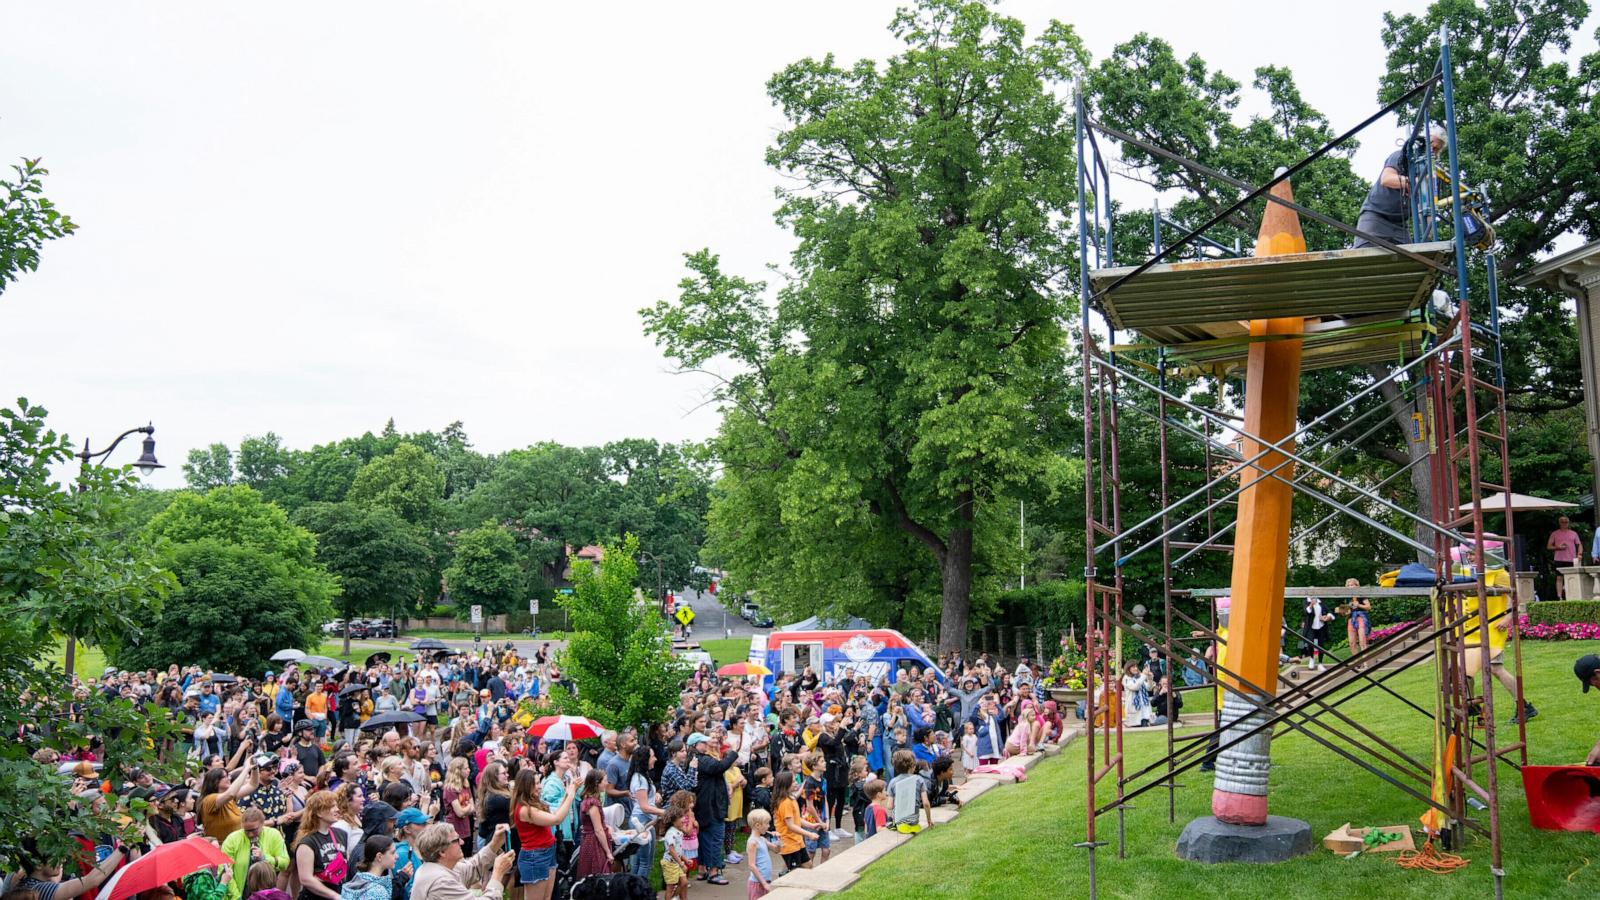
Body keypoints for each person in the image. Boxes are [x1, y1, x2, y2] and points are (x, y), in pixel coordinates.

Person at [1354, 126, 1445, 248]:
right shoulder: (1401, 157)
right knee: (1365, 255)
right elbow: (1386, 179)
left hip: (1400, 225)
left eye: (1436, 149)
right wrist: (1414, 182)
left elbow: (1427, 208)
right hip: (1375, 218)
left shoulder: (1429, 175)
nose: (1432, 151)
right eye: (1430, 146)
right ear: (1421, 143)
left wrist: (1431, 238)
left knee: (1412, 260)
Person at [511, 766, 577, 900]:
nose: (540, 786)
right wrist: (571, 794)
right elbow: (556, 819)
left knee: (547, 897)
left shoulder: (533, 803)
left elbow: (556, 813)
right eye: (536, 783)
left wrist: (567, 793)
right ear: (526, 786)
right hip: (535, 856)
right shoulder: (524, 809)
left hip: (547, 851)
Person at [410, 822, 515, 900]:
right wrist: (497, 874)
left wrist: (495, 843)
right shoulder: (441, 882)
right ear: (442, 851)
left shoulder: (440, 866)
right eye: (456, 840)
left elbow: (472, 868)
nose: (462, 842)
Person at [688, 732, 738, 886]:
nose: (707, 744)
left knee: (704, 838)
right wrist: (734, 752)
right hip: (711, 807)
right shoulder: (701, 760)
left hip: (704, 805)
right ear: (696, 745)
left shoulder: (696, 760)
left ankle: (702, 869)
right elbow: (719, 767)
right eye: (703, 742)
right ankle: (714, 872)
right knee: (716, 838)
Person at [222, 809, 290, 900]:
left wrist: (265, 858)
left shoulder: (274, 835)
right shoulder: (232, 839)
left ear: (262, 823)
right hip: (238, 893)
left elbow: (285, 863)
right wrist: (236, 897)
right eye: (246, 830)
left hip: (266, 895)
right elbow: (224, 871)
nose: (250, 834)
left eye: (254, 830)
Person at [294, 791, 349, 900]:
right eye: (332, 806)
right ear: (319, 812)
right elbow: (305, 879)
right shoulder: (307, 842)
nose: (337, 809)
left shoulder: (341, 834)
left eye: (336, 805)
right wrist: (334, 896)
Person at [201, 760, 260, 842]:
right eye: (225, 776)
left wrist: (255, 767)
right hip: (220, 849)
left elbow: (253, 785)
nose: (229, 778)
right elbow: (231, 793)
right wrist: (246, 768)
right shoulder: (209, 799)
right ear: (215, 781)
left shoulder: (229, 799)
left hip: (236, 846)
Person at [771, 770, 815, 873]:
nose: (796, 783)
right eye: (794, 781)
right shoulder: (785, 802)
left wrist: (811, 825)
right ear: (786, 784)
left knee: (808, 865)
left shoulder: (791, 798)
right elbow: (790, 825)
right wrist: (809, 834)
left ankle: (784, 874)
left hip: (797, 841)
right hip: (789, 843)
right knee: (796, 872)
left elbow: (796, 818)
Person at [573, 769, 613, 878]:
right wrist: (608, 852)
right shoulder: (592, 803)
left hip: (589, 841)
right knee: (597, 874)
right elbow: (598, 830)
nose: (607, 783)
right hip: (594, 844)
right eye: (605, 780)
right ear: (597, 783)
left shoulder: (588, 800)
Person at [886, 750, 931, 834]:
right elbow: (926, 803)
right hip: (914, 822)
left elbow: (889, 806)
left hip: (900, 823)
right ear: (912, 766)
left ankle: (893, 824)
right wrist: (929, 820)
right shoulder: (919, 779)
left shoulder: (893, 782)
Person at [338, 834, 395, 900]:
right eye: (393, 853)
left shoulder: (356, 881)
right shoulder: (378, 892)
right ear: (379, 857)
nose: (397, 856)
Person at [744, 808, 778, 899]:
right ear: (758, 825)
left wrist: (778, 840)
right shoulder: (753, 842)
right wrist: (763, 883)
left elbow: (776, 850)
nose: (768, 826)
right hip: (757, 883)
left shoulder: (762, 839)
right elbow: (751, 865)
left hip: (765, 881)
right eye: (767, 823)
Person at [1550, 516, 1585, 599]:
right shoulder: (1555, 533)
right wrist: (1558, 547)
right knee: (1559, 578)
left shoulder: (1573, 533)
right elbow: (1549, 546)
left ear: (1568, 523)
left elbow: (1579, 544)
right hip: (1559, 558)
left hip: (1571, 558)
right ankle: (1559, 596)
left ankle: (1571, 595)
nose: (1564, 523)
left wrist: (1579, 554)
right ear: (1559, 523)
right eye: (1562, 522)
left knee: (1571, 576)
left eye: (1566, 522)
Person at [1344, 578, 1372, 660]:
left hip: (1361, 617)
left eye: (1352, 584)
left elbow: (1368, 606)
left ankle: (1365, 662)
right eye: (1348, 585)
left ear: (1357, 585)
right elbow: (1348, 611)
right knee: (1352, 642)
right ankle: (1357, 662)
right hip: (1351, 618)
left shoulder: (1361, 594)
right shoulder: (1348, 597)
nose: (1350, 586)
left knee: (1362, 641)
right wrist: (1344, 611)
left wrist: (1358, 605)